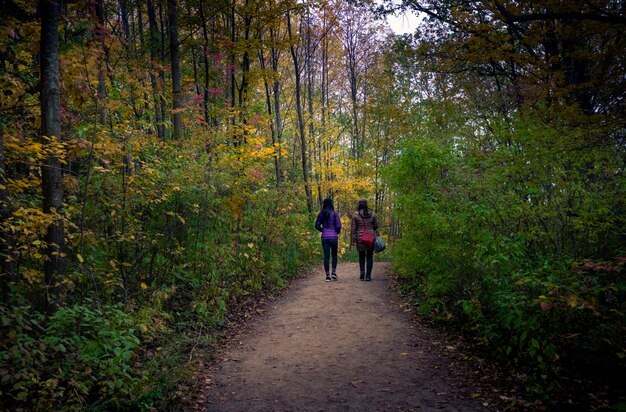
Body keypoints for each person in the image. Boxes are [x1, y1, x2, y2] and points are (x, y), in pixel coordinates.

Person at [351, 199, 378, 281]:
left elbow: (353, 228)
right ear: (366, 205)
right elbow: (376, 226)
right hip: (370, 237)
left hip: (360, 238)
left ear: (359, 205)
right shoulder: (373, 214)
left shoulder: (355, 215)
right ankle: (368, 276)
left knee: (361, 255)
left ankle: (362, 272)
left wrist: (352, 239)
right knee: (370, 256)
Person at [315, 198, 342, 282]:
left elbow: (316, 225)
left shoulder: (321, 214)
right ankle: (333, 273)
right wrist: (336, 232)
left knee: (326, 256)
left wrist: (322, 230)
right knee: (334, 255)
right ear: (331, 204)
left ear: (324, 204)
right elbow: (338, 226)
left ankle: (327, 276)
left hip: (325, 238)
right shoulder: (334, 214)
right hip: (333, 237)